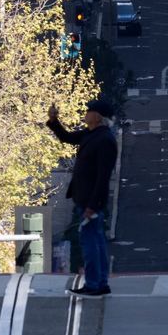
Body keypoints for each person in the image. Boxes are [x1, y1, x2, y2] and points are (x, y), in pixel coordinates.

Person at [47, 100, 117, 298]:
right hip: (84, 198)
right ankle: (100, 283)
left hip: (90, 201)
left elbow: (103, 176)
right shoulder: (91, 134)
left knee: (90, 243)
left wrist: (93, 205)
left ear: (98, 117)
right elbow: (67, 137)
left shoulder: (104, 140)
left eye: (89, 111)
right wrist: (54, 120)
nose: (85, 113)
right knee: (96, 241)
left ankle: (94, 285)